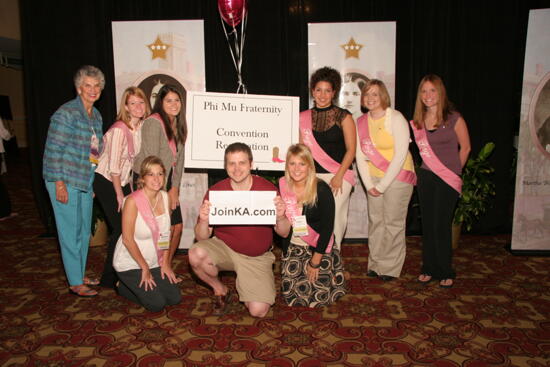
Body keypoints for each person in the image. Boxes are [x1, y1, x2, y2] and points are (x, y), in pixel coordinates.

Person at [188, 142, 290, 318]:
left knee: (259, 311)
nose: (236, 169)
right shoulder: (216, 192)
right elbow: (201, 236)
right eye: (231, 163)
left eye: (242, 163)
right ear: (225, 166)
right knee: (195, 254)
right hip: (225, 247)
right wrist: (204, 221)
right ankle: (220, 289)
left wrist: (281, 216)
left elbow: (284, 232)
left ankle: (248, 282)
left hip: (256, 255)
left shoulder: (267, 190)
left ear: (251, 164)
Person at [43, 65, 105, 297]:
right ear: (79, 88)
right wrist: (59, 184)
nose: (92, 89)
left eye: (96, 85)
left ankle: (78, 274)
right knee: (70, 232)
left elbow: (94, 152)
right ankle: (74, 282)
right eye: (87, 85)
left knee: (82, 230)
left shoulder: (96, 115)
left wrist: (91, 185)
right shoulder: (66, 113)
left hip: (84, 181)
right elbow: (53, 151)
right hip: (64, 179)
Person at [411, 74, 471, 288]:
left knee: (442, 225)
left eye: (432, 90)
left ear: (440, 92)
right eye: (424, 91)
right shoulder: (418, 122)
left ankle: (446, 270)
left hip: (447, 179)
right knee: (428, 225)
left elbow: (466, 148)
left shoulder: (454, 118)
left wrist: (454, 172)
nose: (428, 95)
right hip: (426, 177)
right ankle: (428, 268)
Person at [355, 79, 416, 281]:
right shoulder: (361, 122)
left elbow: (400, 154)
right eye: (367, 94)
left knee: (393, 223)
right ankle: (376, 263)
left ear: (383, 96)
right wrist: (370, 184)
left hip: (398, 177)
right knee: (376, 222)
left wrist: (382, 185)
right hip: (373, 178)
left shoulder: (396, 118)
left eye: (375, 94)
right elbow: (359, 156)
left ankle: (390, 268)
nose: (370, 98)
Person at [93, 87, 150, 288]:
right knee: (120, 228)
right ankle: (109, 279)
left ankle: (123, 271)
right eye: (133, 103)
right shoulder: (119, 129)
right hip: (107, 180)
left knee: (129, 227)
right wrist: (119, 195)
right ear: (125, 107)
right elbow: (114, 168)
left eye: (141, 102)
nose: (138, 107)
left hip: (124, 181)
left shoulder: (142, 127)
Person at [279, 144, 346, 307]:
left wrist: (315, 261)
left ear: (309, 166)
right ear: (287, 165)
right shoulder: (282, 186)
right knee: (292, 297)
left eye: (302, 164)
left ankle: (336, 271)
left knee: (319, 297)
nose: (296, 169)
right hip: (294, 246)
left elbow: (327, 228)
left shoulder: (321, 189)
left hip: (318, 247)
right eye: (292, 163)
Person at [112, 156, 181, 311]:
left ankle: (140, 283)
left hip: (154, 260)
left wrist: (166, 263)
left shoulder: (164, 197)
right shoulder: (132, 202)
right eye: (151, 174)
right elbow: (128, 240)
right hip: (131, 262)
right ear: (142, 178)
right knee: (157, 304)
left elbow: (165, 233)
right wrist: (144, 267)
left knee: (174, 298)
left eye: (160, 174)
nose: (156, 179)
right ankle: (122, 286)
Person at [300, 66, 357, 252]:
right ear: (312, 92)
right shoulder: (303, 118)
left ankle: (333, 259)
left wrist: (339, 176)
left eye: (327, 90)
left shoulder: (344, 116)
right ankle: (313, 258)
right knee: (311, 220)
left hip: (338, 177)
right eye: (318, 90)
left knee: (334, 220)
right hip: (312, 178)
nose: (322, 95)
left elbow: (351, 150)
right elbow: (301, 152)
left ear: (334, 93)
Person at [133, 84, 187, 274]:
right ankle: (152, 267)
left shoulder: (178, 124)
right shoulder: (153, 122)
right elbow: (150, 161)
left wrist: (175, 188)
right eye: (168, 100)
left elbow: (179, 160)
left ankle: (165, 266)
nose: (174, 104)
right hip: (150, 181)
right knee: (160, 228)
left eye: (177, 100)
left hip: (168, 181)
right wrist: (159, 192)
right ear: (160, 103)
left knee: (177, 227)